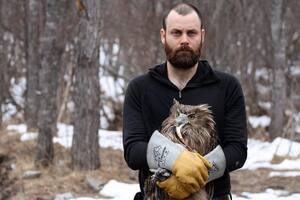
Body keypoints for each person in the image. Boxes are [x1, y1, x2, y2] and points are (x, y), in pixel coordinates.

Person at [123, 3, 247, 200]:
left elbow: (237, 151)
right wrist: (175, 161)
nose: (184, 40)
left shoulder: (226, 86)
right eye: (176, 33)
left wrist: (197, 174)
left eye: (191, 33)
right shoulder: (140, 88)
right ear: (163, 35)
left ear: (202, 36)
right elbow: (133, 151)